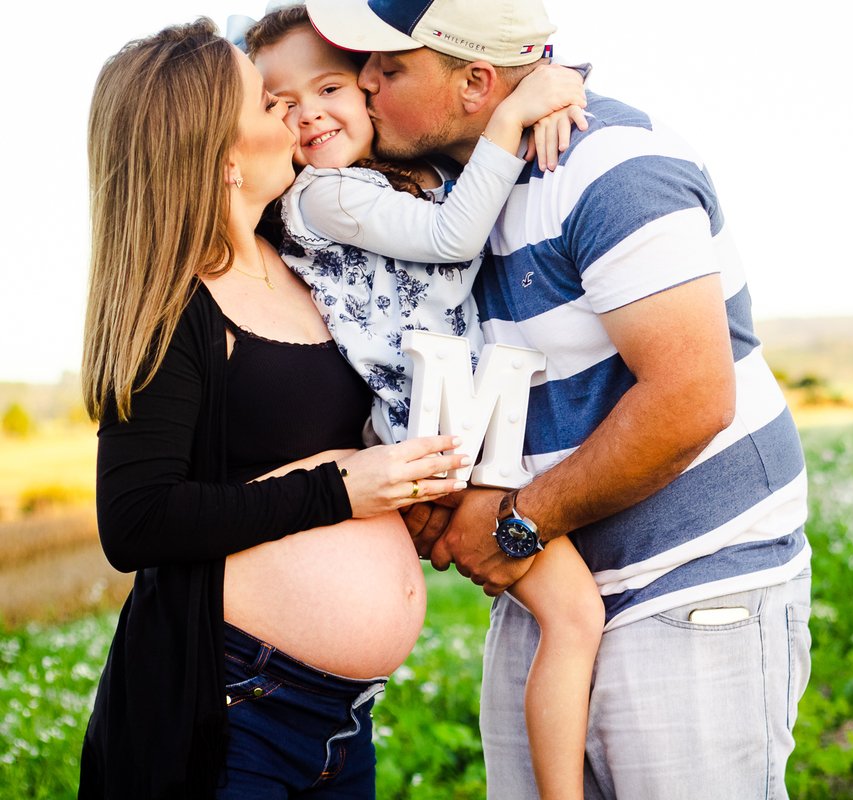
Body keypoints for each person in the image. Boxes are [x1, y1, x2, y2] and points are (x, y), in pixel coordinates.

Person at [305, 0, 815, 797]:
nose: (364, 83)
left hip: (687, 586)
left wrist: (515, 524)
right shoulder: (446, 186)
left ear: (476, 82)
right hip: (550, 578)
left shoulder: (611, 168)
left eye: (390, 67)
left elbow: (692, 398)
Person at [79, 19, 469, 799]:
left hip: (339, 717)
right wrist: (342, 492)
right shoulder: (177, 308)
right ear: (224, 157)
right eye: (266, 102)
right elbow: (135, 520)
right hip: (231, 712)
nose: (292, 116)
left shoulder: (302, 264)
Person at [242, 9, 604, 799]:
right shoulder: (323, 196)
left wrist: (560, 81)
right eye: (279, 101)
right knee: (575, 617)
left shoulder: (397, 175)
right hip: (436, 427)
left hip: (463, 418)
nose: (308, 112)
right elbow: (450, 238)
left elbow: (492, 91)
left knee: (569, 617)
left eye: (331, 85)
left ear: (372, 89)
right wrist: (516, 111)